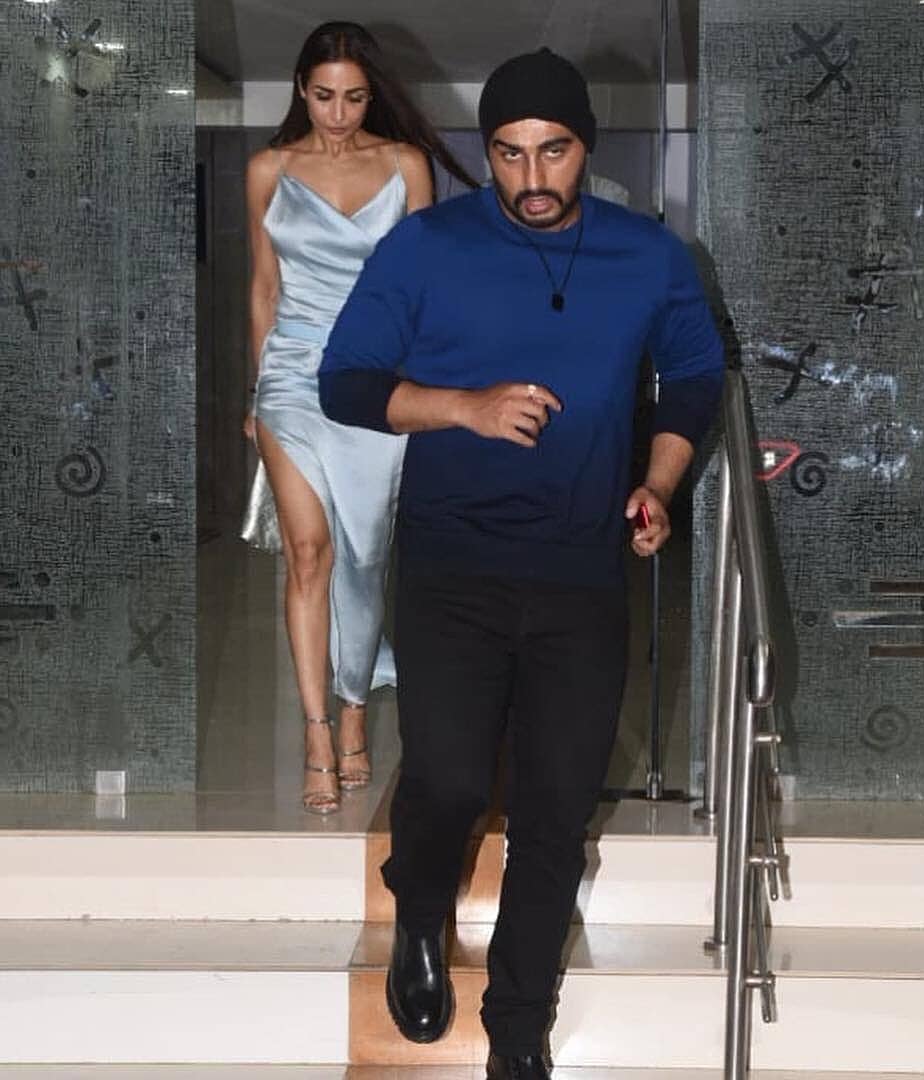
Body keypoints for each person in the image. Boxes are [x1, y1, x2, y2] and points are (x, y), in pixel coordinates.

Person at [319, 47, 724, 1077]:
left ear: (587, 146)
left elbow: (693, 377)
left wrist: (658, 485)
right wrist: (463, 406)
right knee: (450, 778)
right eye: (508, 153)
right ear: (484, 150)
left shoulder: (648, 255)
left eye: (554, 151)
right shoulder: (427, 247)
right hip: (452, 566)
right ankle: (420, 908)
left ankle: (516, 1029)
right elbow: (345, 382)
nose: (532, 178)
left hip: (584, 573)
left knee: (554, 812)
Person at [245, 21, 475, 814]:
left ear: (372, 95)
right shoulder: (269, 169)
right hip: (290, 379)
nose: (338, 114)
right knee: (308, 553)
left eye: (353, 97)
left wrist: (428, 391)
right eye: (323, 96)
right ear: (300, 89)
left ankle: (354, 705)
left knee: (367, 557)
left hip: (375, 379)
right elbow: (264, 288)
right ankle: (318, 731)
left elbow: (425, 288)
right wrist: (255, 391)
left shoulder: (406, 165)